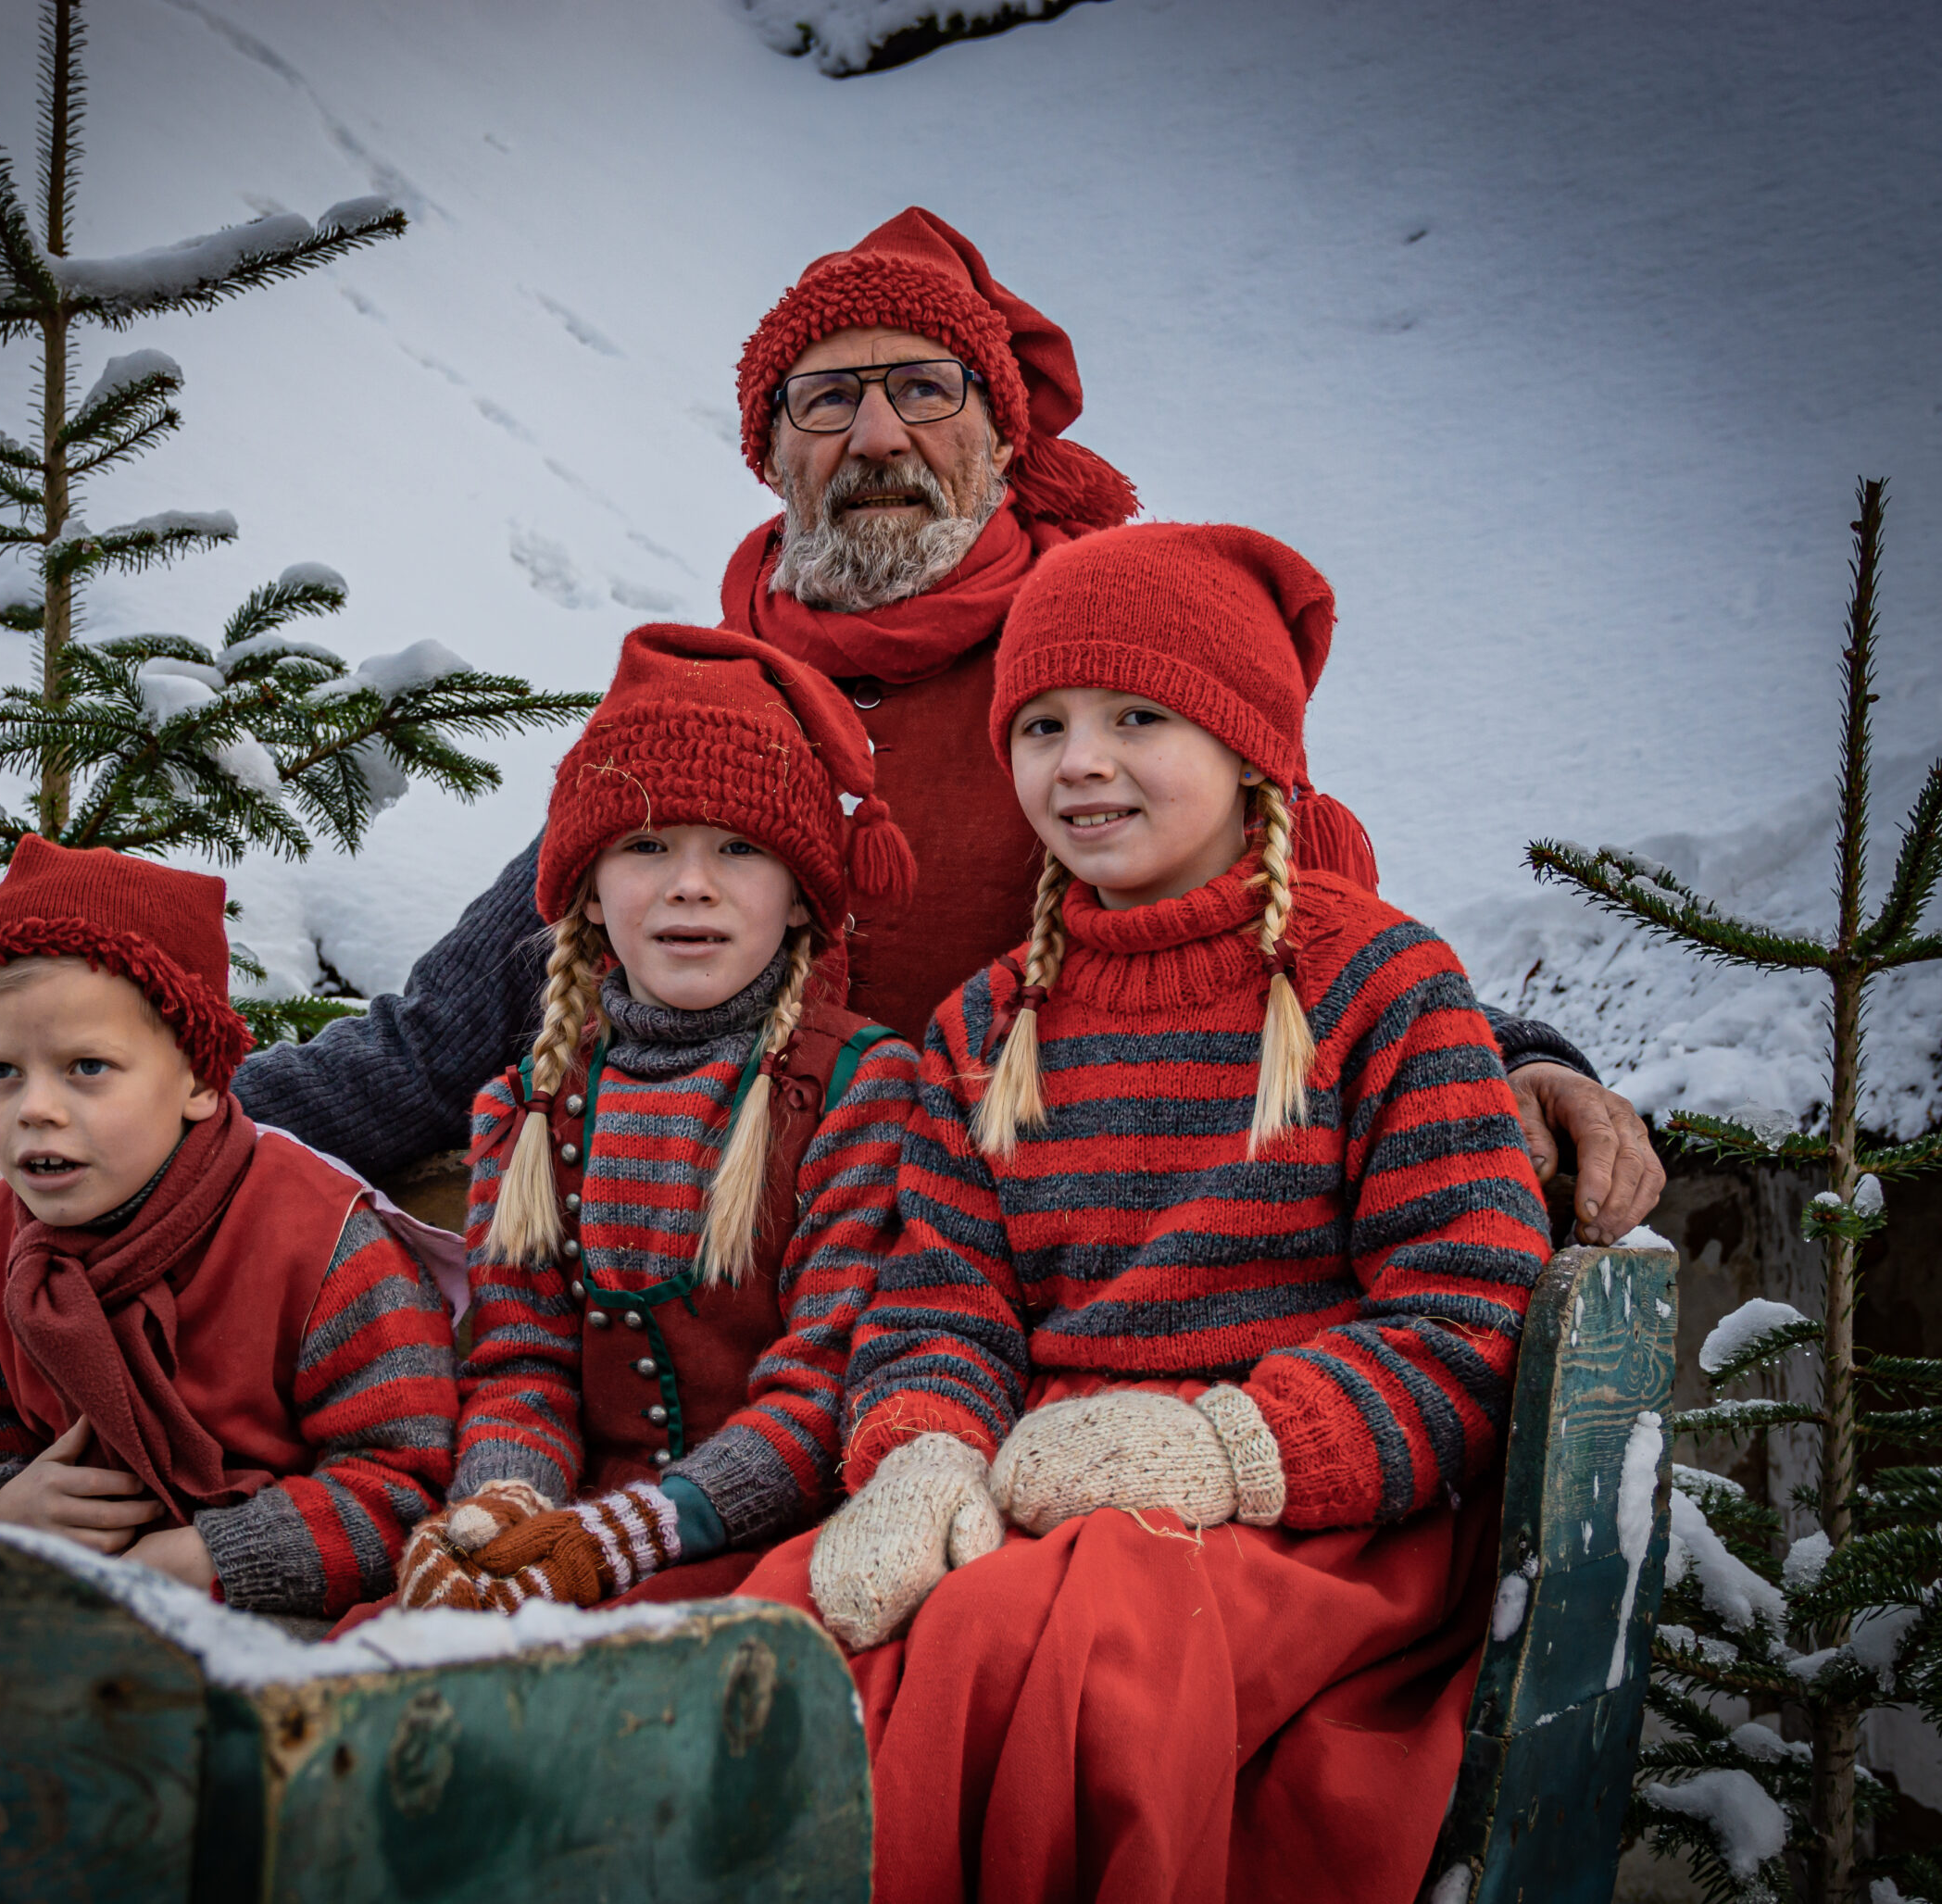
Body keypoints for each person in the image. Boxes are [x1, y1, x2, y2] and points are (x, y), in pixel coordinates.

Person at [232, 208, 1662, 1249]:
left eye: (925, 389)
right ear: (772, 448)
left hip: (1030, 1285)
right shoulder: (700, 704)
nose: (876, 439)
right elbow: (446, 1031)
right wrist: (159, 1125)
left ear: (1002, 432)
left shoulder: (1100, 685)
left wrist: (1520, 1055)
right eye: (827, 399)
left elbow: (1309, 927)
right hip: (731, 1300)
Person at [737, 525, 1556, 1903]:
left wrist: (1233, 1448)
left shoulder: (1379, 984)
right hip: (1038, 1478)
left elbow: (1467, 1311)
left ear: (1250, 747)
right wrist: (923, 1455)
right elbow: (942, 1299)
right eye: (1043, 723)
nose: (1082, 761)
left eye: (1138, 718)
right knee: (800, 1627)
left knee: (1067, 1642)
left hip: (1307, 1511)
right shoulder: (986, 1027)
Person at [381, 624, 921, 1617]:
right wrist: (501, 1506)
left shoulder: (857, 1090)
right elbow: (523, 1371)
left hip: (768, 1554)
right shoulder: (529, 1110)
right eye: (645, 846)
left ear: (802, 898)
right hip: (571, 1536)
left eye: (738, 850)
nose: (689, 883)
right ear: (586, 888)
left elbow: (823, 1390)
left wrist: (625, 1536)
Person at [0, 835, 459, 1622]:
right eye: (2, 1071)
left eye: (86, 1067)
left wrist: (213, 1558)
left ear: (199, 1079)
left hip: (287, 1637)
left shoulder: (322, 1245)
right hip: (61, 1623)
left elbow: (412, 1491)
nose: (34, 1108)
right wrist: (3, 1510)